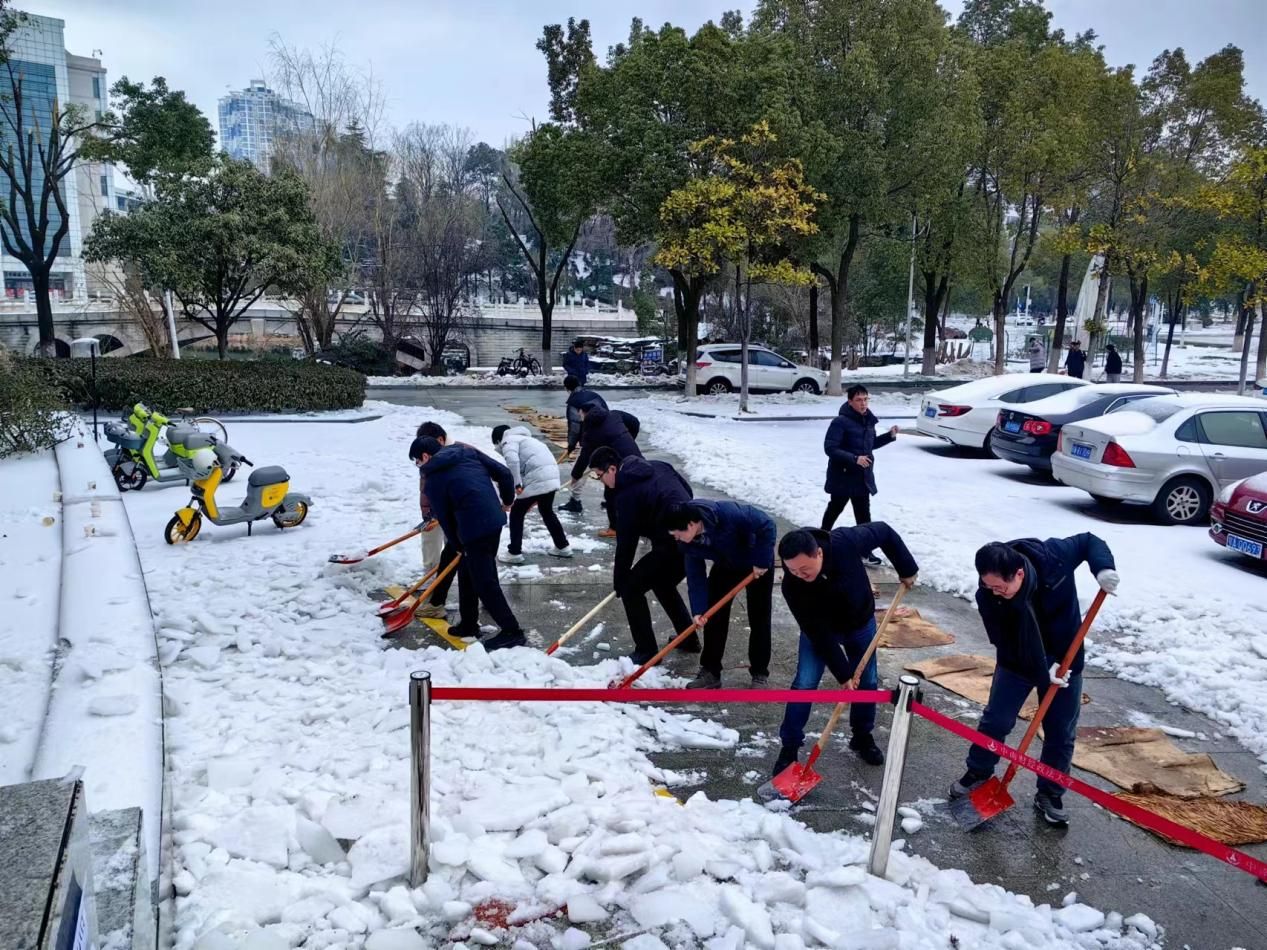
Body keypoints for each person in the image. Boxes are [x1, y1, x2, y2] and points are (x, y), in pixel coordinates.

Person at [949, 535, 1119, 826]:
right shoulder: (988, 596)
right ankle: (978, 772)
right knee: (996, 720)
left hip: (1066, 659)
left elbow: (1088, 541)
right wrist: (1042, 669)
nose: (994, 592)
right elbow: (1004, 643)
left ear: (1019, 573)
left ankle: (1050, 792)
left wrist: (1103, 568)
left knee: (1060, 730)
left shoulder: (1054, 557)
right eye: (988, 586)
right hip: (1019, 660)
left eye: (1000, 587)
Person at [773, 525, 919, 775]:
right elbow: (817, 633)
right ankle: (789, 747)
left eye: (804, 569)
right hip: (822, 631)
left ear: (819, 553)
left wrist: (907, 568)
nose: (799, 575)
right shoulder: (792, 586)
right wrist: (843, 674)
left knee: (868, 682)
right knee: (805, 683)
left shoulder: (844, 542)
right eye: (792, 570)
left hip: (860, 623)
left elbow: (883, 532)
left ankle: (862, 736)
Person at [409, 435, 526, 650]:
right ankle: (469, 624)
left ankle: (513, 631)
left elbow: (445, 519)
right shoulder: (466, 452)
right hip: (493, 521)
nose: (418, 466)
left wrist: (458, 545)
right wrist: (507, 501)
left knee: (484, 582)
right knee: (466, 572)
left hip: (475, 530)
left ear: (425, 456)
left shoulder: (433, 479)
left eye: (417, 461)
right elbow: (504, 473)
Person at [589, 447, 701, 663]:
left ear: (612, 469)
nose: (601, 481)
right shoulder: (657, 465)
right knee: (663, 584)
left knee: (631, 589)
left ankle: (646, 650)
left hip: (673, 540)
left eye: (599, 475)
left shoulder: (627, 493)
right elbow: (686, 488)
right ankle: (688, 638)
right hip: (692, 533)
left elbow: (627, 541)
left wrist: (620, 580)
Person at [665, 500, 776, 689]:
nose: (676, 538)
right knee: (713, 615)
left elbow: (767, 525)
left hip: (756, 562)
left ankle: (759, 673)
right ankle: (710, 671)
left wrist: (762, 560)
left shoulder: (728, 514)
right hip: (726, 564)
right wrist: (699, 610)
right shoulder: (687, 543)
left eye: (678, 534)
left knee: (759, 616)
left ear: (691, 525)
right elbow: (695, 575)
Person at [821, 384, 898, 566]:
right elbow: (830, 448)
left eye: (865, 399)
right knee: (835, 508)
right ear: (850, 402)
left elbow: (870, 445)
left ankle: (865, 551)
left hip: (862, 476)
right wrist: (854, 459)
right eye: (858, 400)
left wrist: (889, 436)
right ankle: (821, 541)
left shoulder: (868, 420)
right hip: (843, 475)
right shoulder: (840, 422)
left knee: (863, 515)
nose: (863, 403)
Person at [491, 424, 572, 562]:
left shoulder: (508, 440)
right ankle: (563, 547)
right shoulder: (527, 440)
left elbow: (513, 461)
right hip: (551, 476)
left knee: (516, 513)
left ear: (498, 440)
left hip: (538, 477)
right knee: (546, 511)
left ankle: (514, 553)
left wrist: (517, 484)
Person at [565, 402, 641, 538]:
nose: (580, 416)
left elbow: (584, 457)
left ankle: (614, 529)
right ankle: (640, 524)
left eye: (580, 413)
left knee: (611, 494)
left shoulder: (591, 432)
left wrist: (575, 476)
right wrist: (629, 439)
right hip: (636, 457)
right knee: (638, 491)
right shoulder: (614, 414)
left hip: (618, 464)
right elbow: (635, 422)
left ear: (585, 413)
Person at [413, 421, 462, 619]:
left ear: (440, 440)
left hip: (462, 510)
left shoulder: (461, 451)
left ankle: (478, 589)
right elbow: (425, 487)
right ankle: (430, 577)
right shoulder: (426, 454)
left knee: (458, 550)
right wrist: (428, 514)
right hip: (439, 507)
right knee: (431, 537)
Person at [559, 378, 608, 514]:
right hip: (607, 435)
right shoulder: (594, 395)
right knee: (607, 468)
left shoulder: (574, 402)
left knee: (580, 469)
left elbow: (575, 427)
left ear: (566, 388)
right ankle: (611, 499)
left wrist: (571, 445)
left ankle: (575, 501)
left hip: (590, 439)